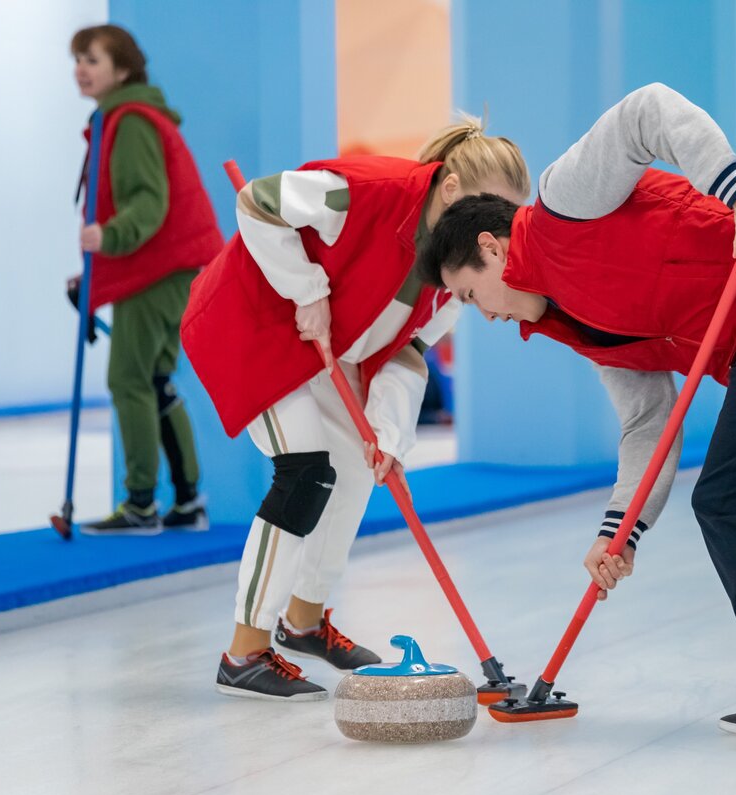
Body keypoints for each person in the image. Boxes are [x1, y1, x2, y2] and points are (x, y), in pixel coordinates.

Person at [418, 83, 736, 735]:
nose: (485, 316)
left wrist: (735, 190)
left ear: (492, 249)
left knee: (731, 504)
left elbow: (648, 111)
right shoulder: (577, 325)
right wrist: (621, 531)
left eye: (471, 297)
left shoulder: (562, 207)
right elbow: (647, 426)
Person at [181, 119, 530, 701]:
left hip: (324, 348)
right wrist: (308, 289)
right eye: (487, 206)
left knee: (354, 466)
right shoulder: (366, 191)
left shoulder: (451, 274)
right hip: (251, 323)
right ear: (448, 188)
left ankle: (305, 621)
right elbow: (259, 202)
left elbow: (409, 351)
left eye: (504, 217)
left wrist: (388, 434)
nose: (492, 229)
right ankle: (243, 654)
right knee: (305, 471)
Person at [70, 25, 220, 534]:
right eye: (79, 59)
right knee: (154, 381)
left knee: (128, 380)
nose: (81, 69)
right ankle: (187, 500)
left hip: (155, 269)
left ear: (124, 70)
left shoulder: (130, 121)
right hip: (169, 266)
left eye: (92, 59)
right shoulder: (127, 117)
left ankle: (140, 504)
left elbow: (146, 204)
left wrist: (107, 238)